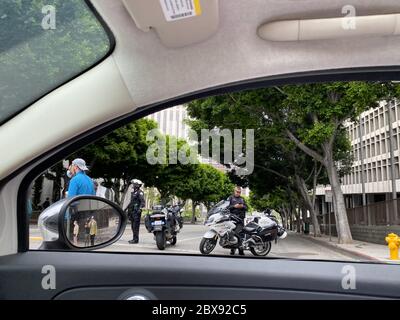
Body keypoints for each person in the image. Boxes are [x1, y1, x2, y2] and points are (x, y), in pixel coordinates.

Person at [227, 186, 248, 256]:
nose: (238, 193)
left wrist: (242, 206)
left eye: (239, 192)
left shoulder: (242, 199)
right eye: (237, 192)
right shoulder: (230, 198)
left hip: (240, 219)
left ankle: (241, 250)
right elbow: (226, 207)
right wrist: (234, 206)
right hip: (232, 219)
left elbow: (246, 207)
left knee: (240, 234)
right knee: (232, 233)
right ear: (234, 191)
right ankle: (232, 250)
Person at [127, 179, 145, 244]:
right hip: (132, 212)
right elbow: (130, 203)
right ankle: (134, 238)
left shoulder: (140, 192)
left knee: (135, 226)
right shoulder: (133, 193)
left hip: (136, 212)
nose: (133, 185)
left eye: (134, 184)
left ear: (137, 185)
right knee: (132, 226)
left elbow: (142, 202)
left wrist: (139, 209)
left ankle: (136, 239)